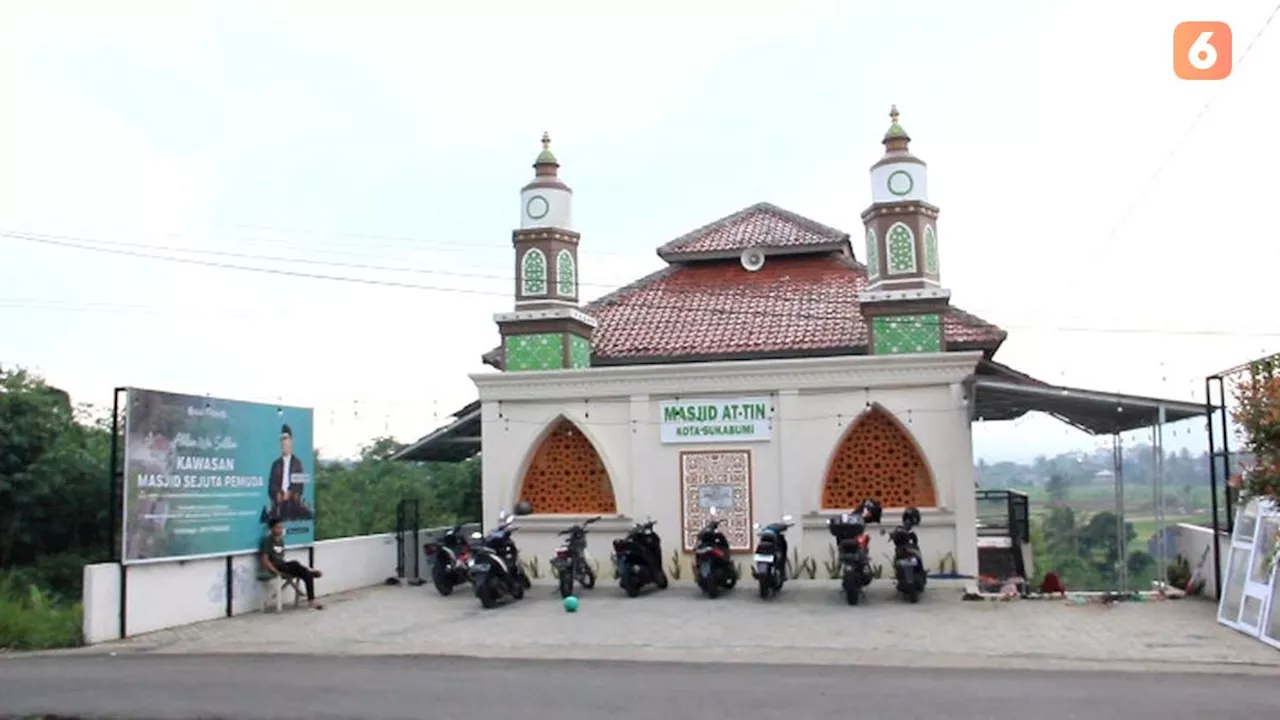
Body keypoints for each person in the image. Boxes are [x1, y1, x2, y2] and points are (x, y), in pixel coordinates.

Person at [260, 516, 324, 610]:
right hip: (275, 566)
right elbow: (264, 559)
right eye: (278, 527)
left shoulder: (281, 541)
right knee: (295, 563)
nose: (280, 530)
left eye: (281, 527)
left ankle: (311, 601)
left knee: (307, 576)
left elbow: (281, 557)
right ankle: (309, 569)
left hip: (283, 565)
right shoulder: (267, 540)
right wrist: (274, 570)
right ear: (272, 528)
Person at [267, 424, 308, 520]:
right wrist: (278, 493)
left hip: (292, 503)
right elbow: (271, 486)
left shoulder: (297, 463)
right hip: (279, 503)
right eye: (281, 439)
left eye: (285, 439)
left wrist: (290, 493)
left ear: (291, 441)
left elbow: (299, 485)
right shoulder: (275, 464)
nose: (283, 442)